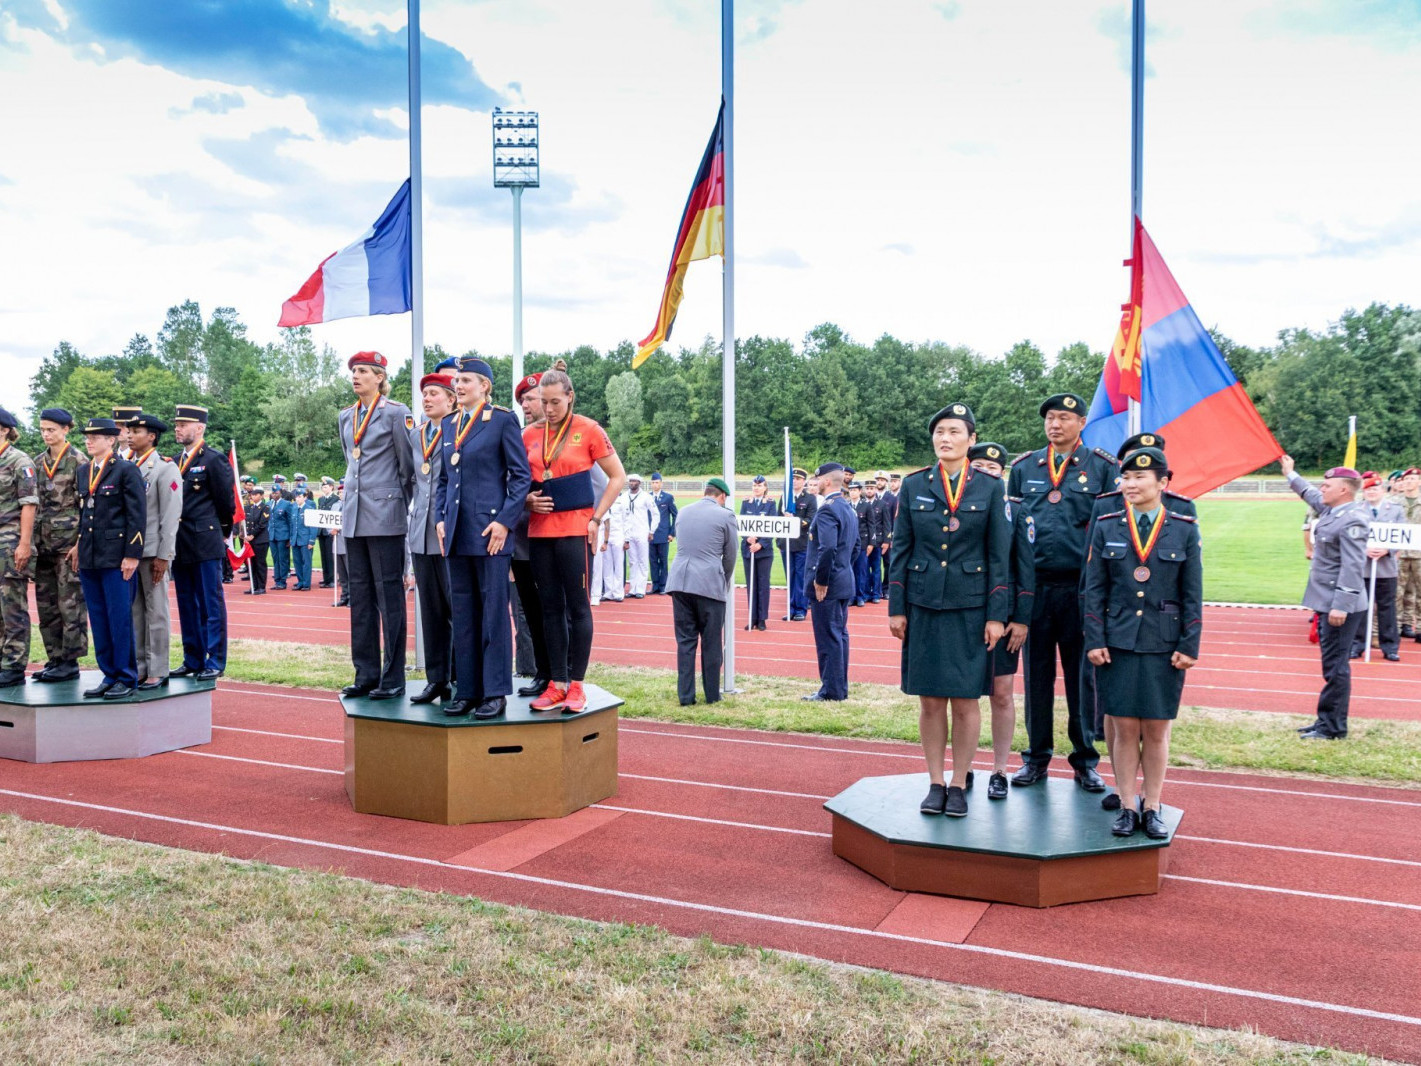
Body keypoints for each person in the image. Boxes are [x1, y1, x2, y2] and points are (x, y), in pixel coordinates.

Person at [888, 405, 1010, 817]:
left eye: (954, 431)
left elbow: (999, 556)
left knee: (965, 701)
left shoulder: (990, 488)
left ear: (971, 440)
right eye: (939, 431)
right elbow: (902, 548)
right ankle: (935, 781)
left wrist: (997, 615)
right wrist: (896, 607)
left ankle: (959, 782)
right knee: (929, 701)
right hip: (923, 605)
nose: (945, 438)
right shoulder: (914, 485)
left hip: (971, 608)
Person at [1084, 447, 1202, 838]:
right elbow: (1095, 590)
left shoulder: (1183, 527)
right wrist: (1095, 639)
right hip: (1116, 642)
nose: (1129, 484)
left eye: (1139, 478)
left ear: (1163, 483)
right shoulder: (1107, 525)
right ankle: (1127, 804)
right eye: (1126, 477)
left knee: (1155, 729)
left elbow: (1191, 594)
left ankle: (1152, 805)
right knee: (1123, 726)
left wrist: (1189, 644)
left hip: (1163, 643)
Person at [1006, 393, 1118, 792]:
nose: (1055, 424)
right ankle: (1036, 757)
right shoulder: (1023, 468)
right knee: (1037, 678)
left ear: (1082, 422)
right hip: (1035, 590)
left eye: (1064, 418)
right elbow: (1013, 532)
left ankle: (1085, 759)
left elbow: (1112, 531)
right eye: (1050, 418)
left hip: (1081, 590)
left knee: (1081, 679)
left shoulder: (1103, 468)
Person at [523, 360, 626, 713]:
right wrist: (526, 500)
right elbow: (516, 481)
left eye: (555, 402)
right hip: (539, 533)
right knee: (549, 609)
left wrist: (597, 518)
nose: (549, 410)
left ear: (570, 397)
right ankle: (556, 683)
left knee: (578, 608)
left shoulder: (589, 429)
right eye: (543, 402)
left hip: (576, 532)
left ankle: (577, 685)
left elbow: (618, 477)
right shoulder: (530, 434)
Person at [435, 356, 531, 718]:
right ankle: (469, 690)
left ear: (485, 386)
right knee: (464, 613)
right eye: (457, 381)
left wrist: (506, 523)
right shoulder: (449, 424)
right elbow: (444, 480)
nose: (459, 386)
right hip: (457, 532)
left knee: (492, 614)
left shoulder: (502, 420)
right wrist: (440, 519)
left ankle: (494, 692)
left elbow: (520, 477)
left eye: (467, 381)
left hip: (491, 532)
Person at [339, 351, 416, 700]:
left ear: (380, 378)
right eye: (354, 370)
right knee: (361, 599)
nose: (356, 376)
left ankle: (393, 675)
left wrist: (393, 502)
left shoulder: (396, 413)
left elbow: (407, 467)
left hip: (385, 517)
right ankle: (365, 673)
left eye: (364, 371)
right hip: (354, 517)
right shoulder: (345, 416)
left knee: (390, 599)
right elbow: (351, 462)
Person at [1280, 456, 1369, 739]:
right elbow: (1309, 493)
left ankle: (1333, 727)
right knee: (1331, 665)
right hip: (1328, 602)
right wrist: (1291, 474)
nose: (1322, 488)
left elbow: (1353, 566)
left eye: (1327, 484)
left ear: (1344, 489)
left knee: (1336, 667)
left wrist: (1341, 605)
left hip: (1340, 605)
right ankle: (1325, 720)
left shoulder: (1352, 518)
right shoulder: (1333, 511)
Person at [968, 441, 1032, 801]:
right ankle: (963, 767)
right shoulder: (957, 508)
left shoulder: (1018, 511)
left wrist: (1021, 619)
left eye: (993, 469)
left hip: (1004, 618)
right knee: (964, 696)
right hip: (965, 614)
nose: (986, 473)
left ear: (1002, 474)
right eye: (979, 466)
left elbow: (1024, 570)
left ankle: (999, 769)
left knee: (1002, 695)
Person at [69, 418, 145, 699]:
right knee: (99, 619)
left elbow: (137, 516)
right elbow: (84, 514)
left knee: (119, 618)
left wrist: (132, 555)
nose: (89, 441)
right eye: (87, 436)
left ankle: (126, 676)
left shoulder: (126, 470)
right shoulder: (83, 471)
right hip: (90, 556)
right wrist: (78, 544)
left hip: (117, 558)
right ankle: (109, 674)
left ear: (111, 440)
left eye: (96, 436)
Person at [168, 405, 235, 681]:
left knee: (210, 604)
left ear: (200, 428)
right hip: (180, 542)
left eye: (184, 424)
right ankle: (192, 658)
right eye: (177, 424)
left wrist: (221, 532)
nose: (178, 428)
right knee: (186, 604)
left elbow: (225, 503)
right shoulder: (172, 461)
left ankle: (215, 659)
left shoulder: (214, 459)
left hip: (205, 540)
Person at [407, 369, 457, 704]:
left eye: (434, 394)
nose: (427, 399)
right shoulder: (417, 434)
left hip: (449, 533)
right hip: (421, 533)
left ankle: (461, 677)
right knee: (432, 611)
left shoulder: (459, 432)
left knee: (458, 609)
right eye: (424, 394)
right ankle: (436, 678)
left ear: (452, 400)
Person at [666, 477, 738, 705]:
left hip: (680, 582)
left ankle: (686, 696)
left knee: (685, 642)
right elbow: (731, 555)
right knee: (711, 642)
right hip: (708, 584)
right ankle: (712, 695)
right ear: (722, 496)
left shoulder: (684, 512)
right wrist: (723, 580)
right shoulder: (726, 515)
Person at [125, 413, 182, 690]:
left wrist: (164, 555)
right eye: (129, 430)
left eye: (136, 431)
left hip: (152, 551)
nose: (130, 435)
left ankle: (158, 668)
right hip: (130, 553)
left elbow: (170, 516)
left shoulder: (164, 468)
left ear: (152, 436)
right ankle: (139, 666)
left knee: (156, 610)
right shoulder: (126, 466)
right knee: (135, 611)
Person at [31, 408, 87, 683]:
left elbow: (88, 506)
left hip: (68, 546)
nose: (46, 434)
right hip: (42, 545)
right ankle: (54, 657)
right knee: (47, 605)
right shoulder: (38, 461)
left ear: (66, 429)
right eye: (42, 429)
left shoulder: (79, 461)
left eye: (51, 429)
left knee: (71, 605)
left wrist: (80, 543)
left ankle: (70, 660)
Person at [803, 463, 858, 702]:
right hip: (843, 581)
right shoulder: (846, 507)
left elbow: (826, 549)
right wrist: (842, 569)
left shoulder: (827, 510)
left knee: (828, 638)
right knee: (839, 636)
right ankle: (838, 687)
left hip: (828, 586)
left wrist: (822, 580)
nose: (814, 485)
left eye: (817, 481)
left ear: (826, 482)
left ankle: (831, 690)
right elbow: (854, 548)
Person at [0, 407, 38, 688]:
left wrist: (24, 543)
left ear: (4, 430)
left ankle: (14, 665)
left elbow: (29, 504)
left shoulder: (18, 461)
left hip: (10, 542)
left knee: (12, 605)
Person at [1352, 471, 1404, 661]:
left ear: (1382, 490)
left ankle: (1390, 647)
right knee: (1360, 608)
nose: (1371, 493)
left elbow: (1402, 535)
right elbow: (1352, 534)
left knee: (1387, 608)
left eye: (1375, 489)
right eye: (1368, 490)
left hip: (1386, 567)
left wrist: (1387, 549)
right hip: (1362, 566)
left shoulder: (1396, 509)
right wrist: (1364, 549)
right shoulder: (1357, 510)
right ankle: (1357, 645)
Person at [740, 474, 779, 630]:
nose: (756, 488)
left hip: (764, 551)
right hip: (748, 549)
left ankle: (762, 618)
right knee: (751, 584)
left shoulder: (770, 504)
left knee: (763, 584)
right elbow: (741, 523)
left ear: (765, 487)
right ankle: (752, 617)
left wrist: (761, 543)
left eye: (760, 485)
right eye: (754, 485)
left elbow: (773, 526)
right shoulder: (746, 503)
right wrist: (747, 538)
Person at [782, 468, 816, 621]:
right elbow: (777, 518)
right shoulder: (785, 497)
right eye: (793, 478)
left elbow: (810, 519)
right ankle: (790, 608)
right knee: (790, 577)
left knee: (801, 577)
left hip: (801, 543)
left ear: (804, 481)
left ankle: (800, 609)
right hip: (786, 544)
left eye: (798, 479)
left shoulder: (809, 498)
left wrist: (794, 519)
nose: (795, 481)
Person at [622, 474, 659, 597]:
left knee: (642, 561)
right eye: (630, 481)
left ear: (639, 483)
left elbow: (655, 514)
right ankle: (632, 588)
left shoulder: (646, 497)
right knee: (632, 562)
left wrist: (651, 531)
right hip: (628, 533)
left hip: (642, 532)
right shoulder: (624, 497)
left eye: (635, 481)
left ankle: (640, 589)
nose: (632, 483)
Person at [591, 488, 628, 604]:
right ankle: (608, 592)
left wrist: (626, 538)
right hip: (604, 536)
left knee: (618, 564)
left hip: (618, 534)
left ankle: (618, 593)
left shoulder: (621, 501)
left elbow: (626, 520)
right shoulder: (602, 503)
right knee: (606, 565)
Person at [1397, 468, 1421, 640]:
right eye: (1406, 479)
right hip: (1399, 553)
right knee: (1396, 592)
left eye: (1413, 478)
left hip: (1419, 553)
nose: (1409, 482)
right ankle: (1398, 625)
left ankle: (1419, 626)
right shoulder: (1393, 502)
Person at [647, 473, 678, 595]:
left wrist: (672, 533)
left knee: (663, 561)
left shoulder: (668, 498)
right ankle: (654, 585)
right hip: (650, 535)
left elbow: (675, 515)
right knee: (653, 561)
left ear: (661, 483)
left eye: (657, 482)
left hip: (664, 534)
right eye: (653, 482)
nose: (655, 484)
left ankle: (663, 585)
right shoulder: (647, 497)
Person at [243, 485, 270, 595]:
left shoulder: (265, 508)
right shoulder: (252, 508)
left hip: (261, 540)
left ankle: (261, 586)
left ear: (261, 496)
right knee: (252, 564)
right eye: (252, 495)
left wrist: (252, 535)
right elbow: (248, 524)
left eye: (256, 494)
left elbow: (262, 524)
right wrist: (247, 535)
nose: (253, 496)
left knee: (260, 563)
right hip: (252, 540)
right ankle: (254, 586)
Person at [268, 483, 294, 590]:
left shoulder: (286, 504)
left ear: (280, 493)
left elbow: (290, 522)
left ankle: (282, 581)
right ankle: (277, 579)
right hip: (272, 535)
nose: (274, 495)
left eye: (276, 493)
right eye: (273, 493)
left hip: (283, 535)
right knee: (275, 558)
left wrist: (290, 538)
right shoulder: (269, 504)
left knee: (283, 559)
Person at [290, 488, 316, 590]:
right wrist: (292, 539)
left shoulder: (309, 509)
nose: (297, 498)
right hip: (296, 540)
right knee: (297, 562)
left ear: (305, 497)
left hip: (305, 540)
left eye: (300, 496)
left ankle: (306, 583)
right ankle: (300, 581)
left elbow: (313, 526)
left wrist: (311, 540)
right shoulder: (294, 508)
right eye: (296, 496)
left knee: (306, 563)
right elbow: (292, 525)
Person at [848, 481, 869, 606]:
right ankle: (851, 596)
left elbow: (871, 525)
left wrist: (871, 543)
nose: (852, 492)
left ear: (860, 491)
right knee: (849, 571)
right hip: (849, 544)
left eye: (855, 490)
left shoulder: (866, 506)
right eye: (850, 490)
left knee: (860, 571)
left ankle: (860, 596)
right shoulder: (846, 505)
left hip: (862, 543)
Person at [316, 476, 338, 587]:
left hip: (330, 531)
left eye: (325, 486)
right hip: (321, 531)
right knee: (323, 556)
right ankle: (326, 578)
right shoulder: (321, 499)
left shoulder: (335, 499)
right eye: (323, 487)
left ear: (331, 487)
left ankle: (332, 579)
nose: (323, 489)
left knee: (330, 557)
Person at [331, 480, 349, 607]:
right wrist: (331, 530)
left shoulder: (351, 505)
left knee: (351, 572)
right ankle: (344, 596)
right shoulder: (335, 506)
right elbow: (327, 520)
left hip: (348, 543)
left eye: (343, 491)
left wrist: (340, 528)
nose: (341, 493)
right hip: (336, 542)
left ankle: (353, 597)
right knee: (342, 574)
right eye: (340, 492)